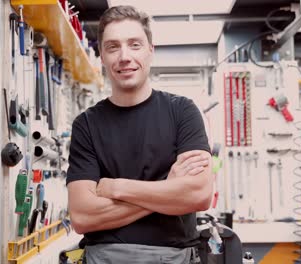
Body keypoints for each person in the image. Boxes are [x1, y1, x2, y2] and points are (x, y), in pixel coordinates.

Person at [66, 5, 213, 264]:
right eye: (113, 47)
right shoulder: (86, 125)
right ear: (102, 55)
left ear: (150, 50)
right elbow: (82, 217)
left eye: (134, 45)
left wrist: (116, 187)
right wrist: (168, 189)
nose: (124, 56)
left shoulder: (183, 112)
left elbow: (199, 195)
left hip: (175, 258)